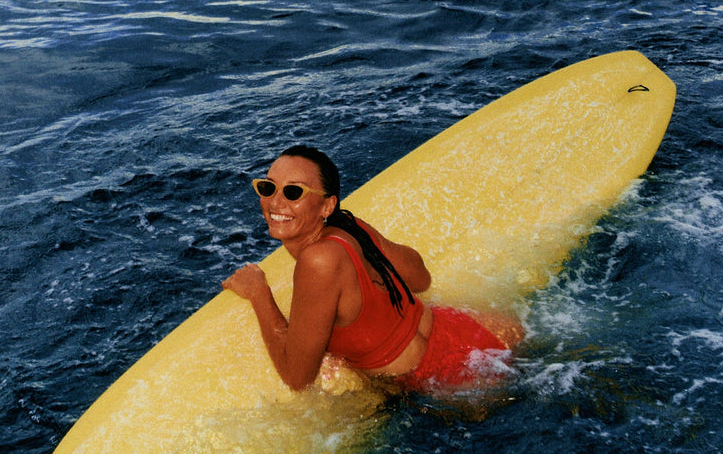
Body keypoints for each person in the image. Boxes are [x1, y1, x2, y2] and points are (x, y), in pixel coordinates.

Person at [222, 145, 523, 393]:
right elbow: (420, 278)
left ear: (326, 206)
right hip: (475, 331)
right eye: (267, 187)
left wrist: (259, 292)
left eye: (294, 193)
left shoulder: (319, 261)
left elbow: (298, 377)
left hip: (450, 378)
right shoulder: (350, 227)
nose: (275, 201)